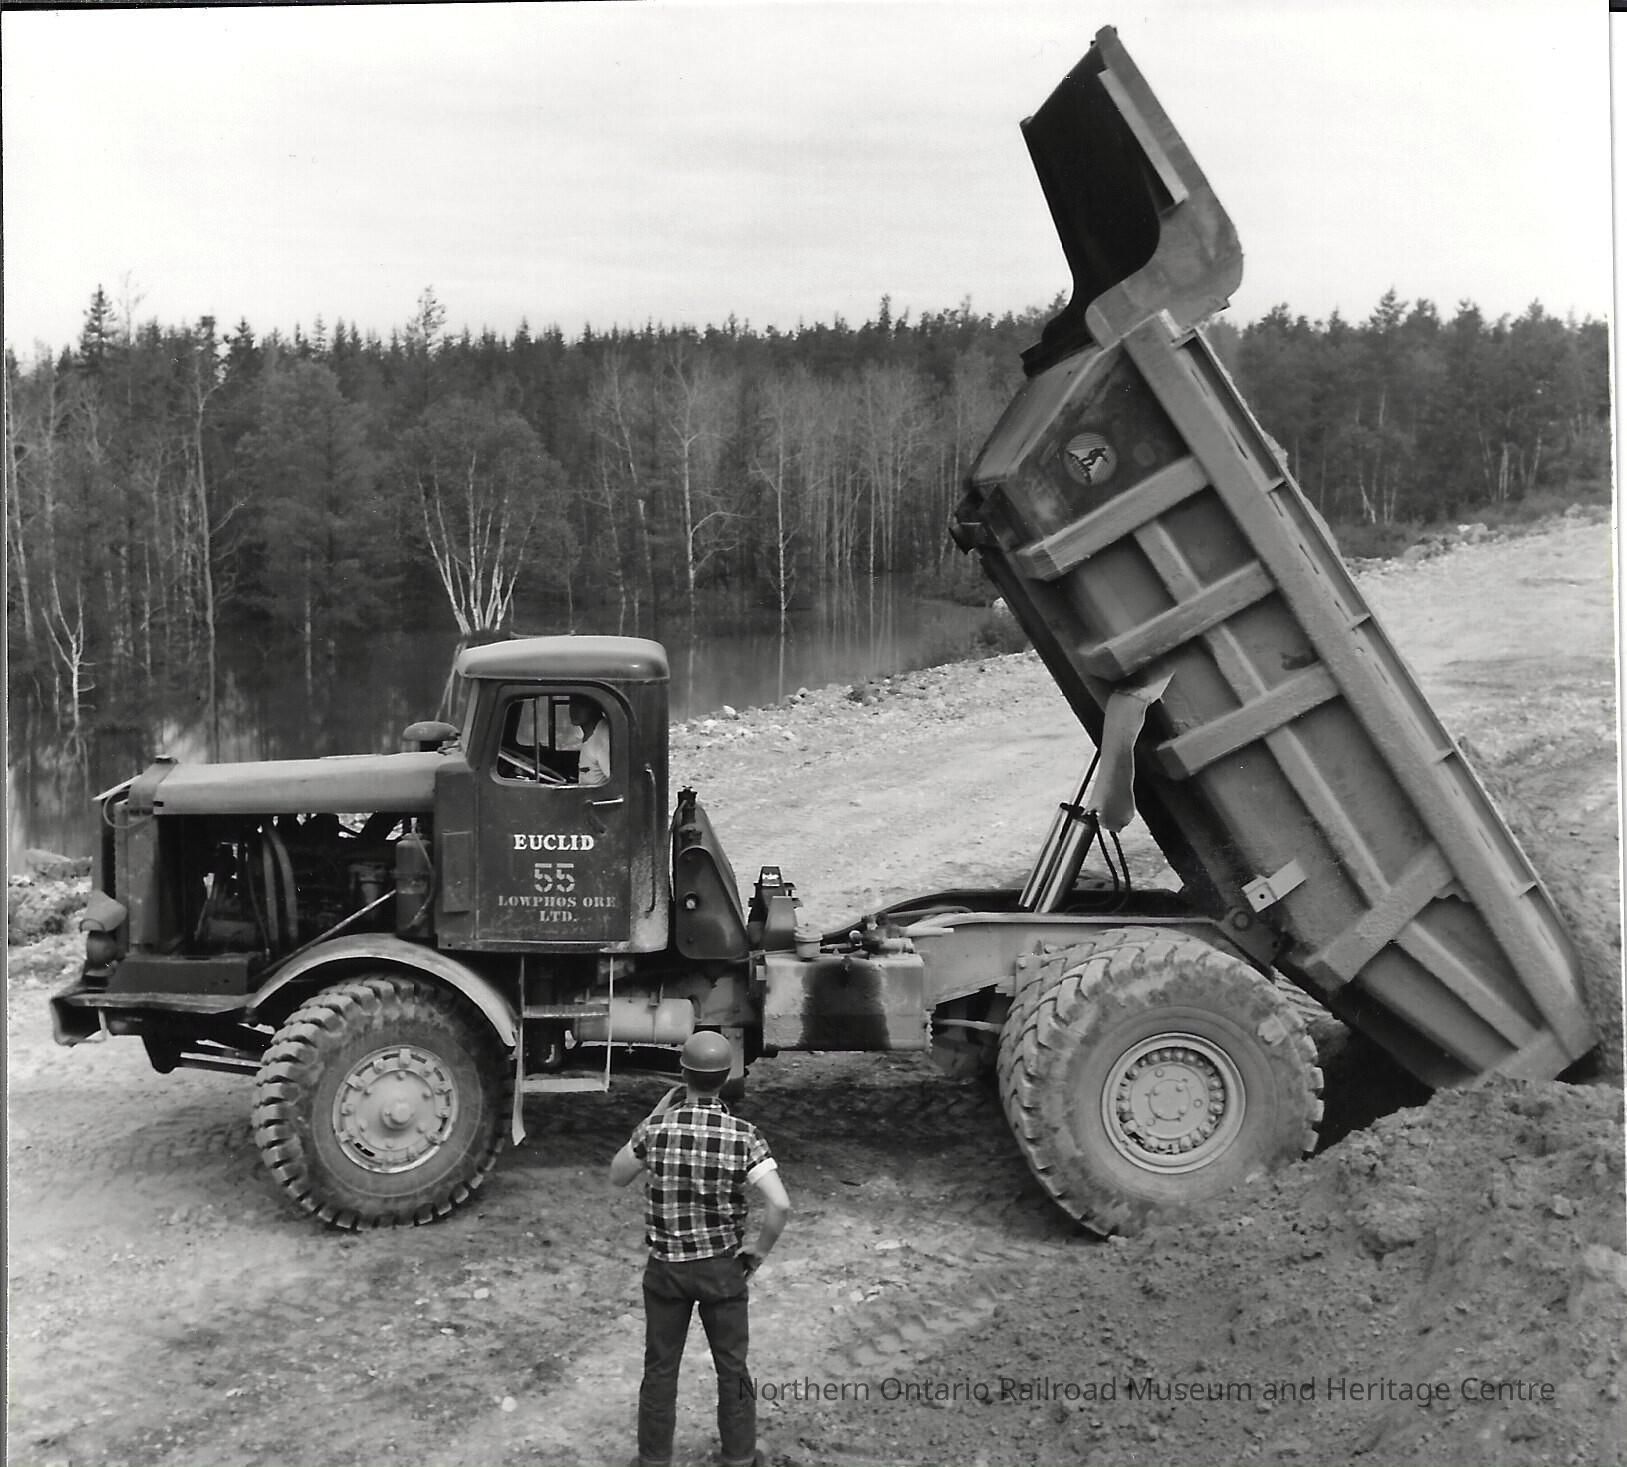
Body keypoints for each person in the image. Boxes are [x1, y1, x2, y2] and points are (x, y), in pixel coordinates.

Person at [610, 1031, 790, 1467]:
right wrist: (757, 1252)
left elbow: (618, 1174)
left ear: (682, 1073)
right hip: (721, 1270)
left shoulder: (656, 1129)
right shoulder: (743, 1136)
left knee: (660, 1368)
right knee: (732, 1367)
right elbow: (780, 1204)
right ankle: (739, 1456)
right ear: (726, 1077)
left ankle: (653, 1459)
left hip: (666, 1270)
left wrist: (656, 1113)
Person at [569, 694, 611, 787]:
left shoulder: (603, 739)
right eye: (572, 704)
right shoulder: (591, 734)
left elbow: (618, 784)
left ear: (595, 706)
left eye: (582, 705)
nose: (574, 710)